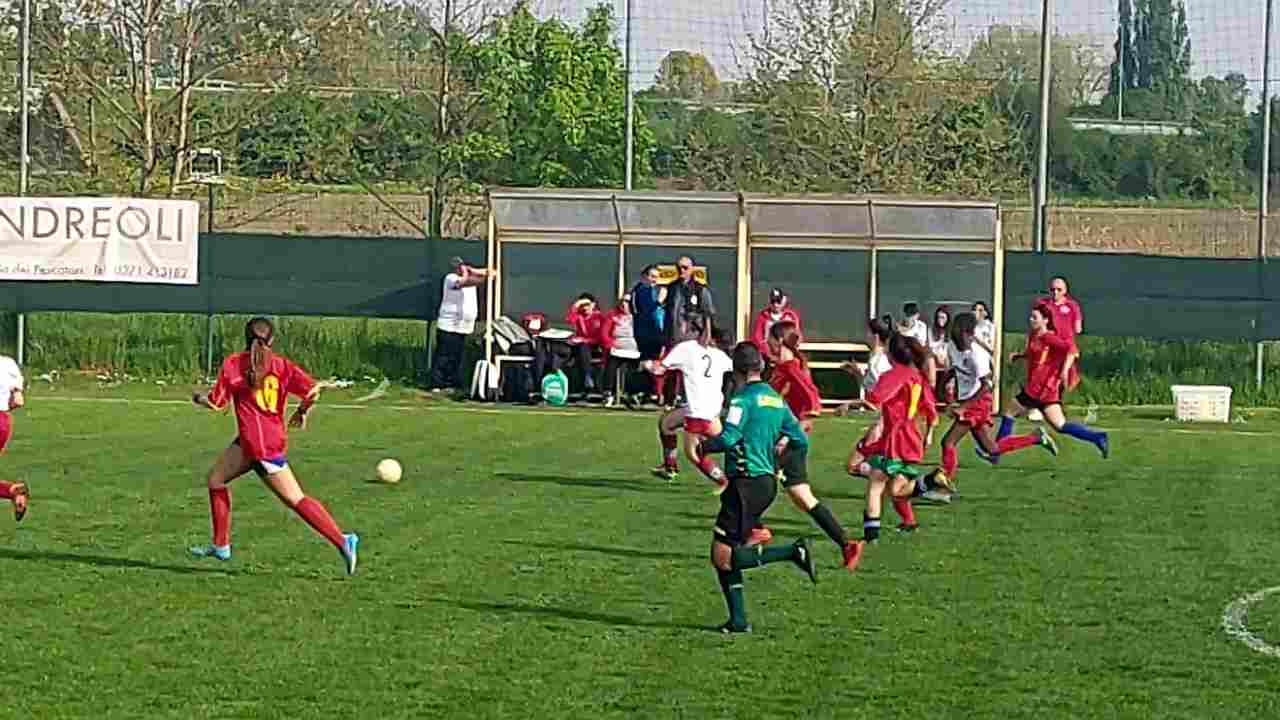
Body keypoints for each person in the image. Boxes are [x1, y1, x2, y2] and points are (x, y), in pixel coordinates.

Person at [189, 317, 360, 575]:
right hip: (256, 441)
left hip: (260, 448)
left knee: (295, 498)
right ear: (272, 340)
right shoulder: (280, 365)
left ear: (245, 339)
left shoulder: (234, 364)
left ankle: (343, 540)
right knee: (216, 479)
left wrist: (199, 398)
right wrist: (302, 411)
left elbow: (216, 403)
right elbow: (313, 390)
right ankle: (221, 545)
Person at [709, 342, 819, 634]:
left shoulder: (741, 400)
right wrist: (776, 453)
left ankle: (792, 552)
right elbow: (800, 440)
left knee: (722, 555)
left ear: (736, 371)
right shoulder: (775, 400)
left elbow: (729, 438)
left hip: (745, 484)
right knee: (725, 552)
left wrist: (703, 446)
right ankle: (738, 620)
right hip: (765, 483)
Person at [762, 322, 861, 569]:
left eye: (769, 338)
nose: (766, 342)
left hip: (786, 444)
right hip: (781, 442)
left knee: (751, 480)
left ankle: (752, 530)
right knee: (802, 497)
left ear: (780, 341)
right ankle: (847, 543)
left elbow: (814, 405)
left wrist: (787, 436)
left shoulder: (792, 369)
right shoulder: (780, 368)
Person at [845, 334, 946, 571]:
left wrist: (848, 404)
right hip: (913, 439)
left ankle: (871, 539)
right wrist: (929, 433)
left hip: (894, 440)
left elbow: (874, 400)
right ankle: (931, 481)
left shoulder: (895, 375)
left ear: (892, 355)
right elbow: (931, 410)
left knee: (875, 487)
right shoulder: (917, 377)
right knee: (897, 490)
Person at [929, 312, 1056, 493]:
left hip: (979, 401)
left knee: (948, 442)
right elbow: (953, 370)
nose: (961, 335)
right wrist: (945, 396)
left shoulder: (977, 355)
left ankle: (944, 489)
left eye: (965, 332)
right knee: (992, 449)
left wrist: (964, 407)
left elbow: (988, 384)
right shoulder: (951, 346)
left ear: (969, 332)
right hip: (967, 400)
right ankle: (1036, 437)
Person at [993, 305, 1109, 460]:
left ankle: (996, 452)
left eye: (1035, 317)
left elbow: (1072, 350)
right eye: (1031, 316)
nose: (1031, 320)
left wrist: (1063, 371)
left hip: (1039, 389)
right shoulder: (1035, 335)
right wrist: (1020, 356)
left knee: (1009, 413)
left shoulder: (1049, 337)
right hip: (1044, 392)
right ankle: (1097, 437)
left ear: (1045, 320)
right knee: (1060, 425)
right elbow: (1035, 353)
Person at [645, 313, 733, 486]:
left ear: (693, 329)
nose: (682, 328)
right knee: (667, 423)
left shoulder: (686, 348)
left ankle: (725, 483)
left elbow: (659, 370)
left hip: (698, 414)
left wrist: (647, 364)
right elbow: (734, 368)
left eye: (684, 325)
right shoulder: (719, 354)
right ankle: (669, 467)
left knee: (694, 455)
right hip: (714, 413)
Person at [839, 316, 894, 477]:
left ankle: (917, 484)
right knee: (861, 466)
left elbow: (881, 400)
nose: (865, 336)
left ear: (875, 337)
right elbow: (872, 389)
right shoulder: (876, 359)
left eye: (868, 333)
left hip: (883, 423)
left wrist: (850, 403)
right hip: (882, 422)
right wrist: (857, 373)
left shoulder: (880, 362)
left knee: (853, 465)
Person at [431, 257, 492, 392]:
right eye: (458, 267)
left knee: (456, 356)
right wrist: (466, 273)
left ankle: (451, 383)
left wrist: (472, 270)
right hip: (448, 324)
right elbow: (464, 282)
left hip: (463, 326)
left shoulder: (470, 278)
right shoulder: (450, 278)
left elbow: (490, 273)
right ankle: (437, 384)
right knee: (444, 355)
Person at [1037, 276, 1084, 392]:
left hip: (1066, 348)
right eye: (1052, 290)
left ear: (1065, 291)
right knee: (1046, 376)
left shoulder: (1072, 305)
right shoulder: (1044, 304)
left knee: (1065, 377)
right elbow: (1038, 324)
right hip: (1050, 347)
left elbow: (1078, 328)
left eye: (1059, 290)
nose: (1055, 293)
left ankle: (1058, 401)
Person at [663, 255, 717, 347]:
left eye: (685, 268)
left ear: (692, 269)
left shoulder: (700, 290)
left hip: (693, 339)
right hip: (673, 340)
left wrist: (707, 337)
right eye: (678, 268)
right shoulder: (671, 288)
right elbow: (667, 314)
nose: (682, 270)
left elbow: (708, 315)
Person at [0, 355, 29, 522]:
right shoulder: (8, 363)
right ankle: (12, 491)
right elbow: (18, 401)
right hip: (2, 422)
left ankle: (12, 490)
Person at [600, 293, 642, 408]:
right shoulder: (612, 315)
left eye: (627, 302)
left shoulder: (639, 316)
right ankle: (609, 394)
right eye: (623, 301)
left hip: (634, 349)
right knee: (611, 366)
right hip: (616, 347)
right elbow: (604, 333)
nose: (624, 304)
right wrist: (610, 345)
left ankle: (632, 394)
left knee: (634, 370)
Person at [566, 293, 606, 394]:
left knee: (583, 348)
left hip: (595, 346)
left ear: (593, 304)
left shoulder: (599, 317)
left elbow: (600, 338)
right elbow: (569, 319)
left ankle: (587, 378)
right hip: (579, 346)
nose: (585, 308)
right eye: (582, 305)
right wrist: (576, 305)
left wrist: (583, 340)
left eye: (587, 304)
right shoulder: (579, 316)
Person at [751, 288, 803, 359]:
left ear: (783, 301)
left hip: (788, 356)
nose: (775, 305)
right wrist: (768, 354)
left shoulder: (791, 316)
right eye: (773, 301)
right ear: (769, 301)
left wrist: (790, 351)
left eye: (778, 301)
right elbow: (757, 338)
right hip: (767, 357)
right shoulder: (762, 316)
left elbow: (797, 335)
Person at [630, 265, 667, 361]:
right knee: (647, 365)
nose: (655, 280)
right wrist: (659, 300)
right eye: (652, 276)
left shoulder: (647, 290)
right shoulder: (642, 290)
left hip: (650, 334)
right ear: (645, 277)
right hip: (647, 335)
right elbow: (647, 310)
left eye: (657, 277)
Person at [927, 305, 951, 400]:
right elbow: (931, 346)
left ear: (947, 318)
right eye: (938, 317)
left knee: (948, 363)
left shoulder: (950, 331)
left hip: (945, 357)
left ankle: (943, 392)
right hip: (934, 356)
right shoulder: (931, 329)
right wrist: (938, 356)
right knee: (930, 359)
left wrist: (944, 357)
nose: (940, 320)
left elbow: (950, 347)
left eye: (943, 317)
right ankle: (932, 390)